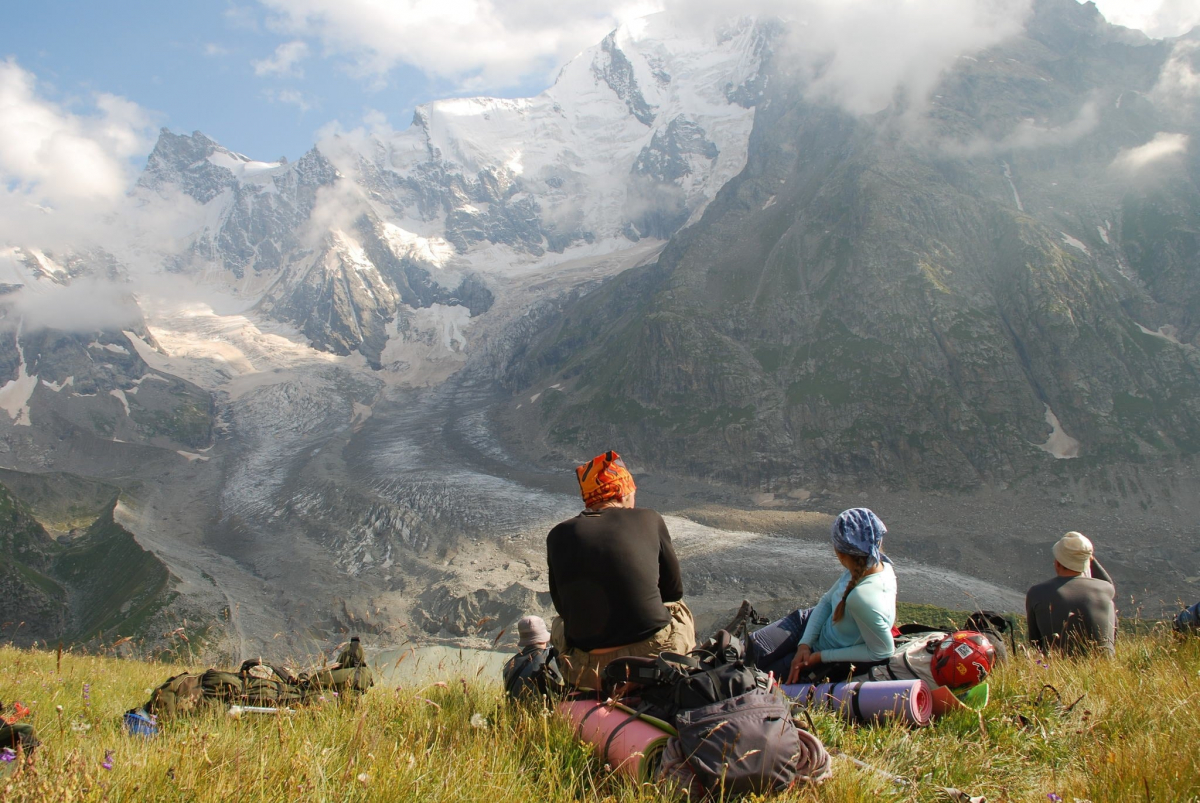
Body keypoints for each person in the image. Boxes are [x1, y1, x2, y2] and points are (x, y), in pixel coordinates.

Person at [546, 451, 695, 689]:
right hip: (654, 660)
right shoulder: (650, 518)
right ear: (623, 492)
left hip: (587, 671)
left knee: (557, 625)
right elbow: (673, 593)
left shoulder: (557, 535)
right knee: (679, 609)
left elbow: (563, 608)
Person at [747, 508, 897, 683]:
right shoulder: (873, 564)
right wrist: (805, 643)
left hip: (821, 654)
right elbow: (826, 602)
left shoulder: (861, 598)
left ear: (840, 553)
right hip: (807, 624)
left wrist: (820, 656)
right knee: (741, 654)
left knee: (750, 678)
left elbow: (883, 650)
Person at [1025, 532, 1116, 657]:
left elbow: (1035, 642)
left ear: (1057, 563)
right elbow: (1108, 583)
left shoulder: (1037, 592)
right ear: (1087, 562)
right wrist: (1087, 557)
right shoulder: (1105, 589)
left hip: (1058, 668)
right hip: (1104, 669)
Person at [502, 616, 560, 700]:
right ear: (544, 637)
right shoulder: (550, 658)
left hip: (513, 712)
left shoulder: (509, 665)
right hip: (545, 710)